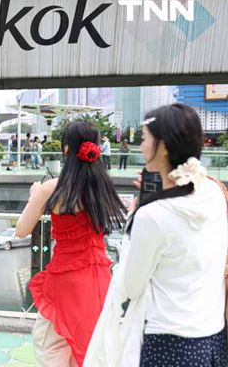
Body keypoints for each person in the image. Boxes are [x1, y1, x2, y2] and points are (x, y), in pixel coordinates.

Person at [102, 104, 226, 366]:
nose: (140, 145)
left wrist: (134, 218)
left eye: (145, 137)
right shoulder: (214, 195)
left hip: (168, 342)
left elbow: (131, 287)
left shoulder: (153, 216)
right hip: (212, 337)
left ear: (165, 146)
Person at [15, 120, 126, 366]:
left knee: (50, 343)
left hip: (65, 279)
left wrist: (34, 196)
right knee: (90, 344)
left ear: (66, 149)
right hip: (98, 277)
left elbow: (21, 230)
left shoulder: (52, 189)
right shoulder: (103, 187)